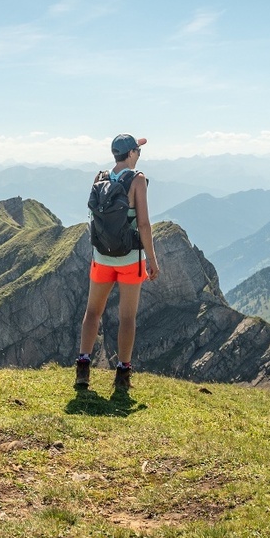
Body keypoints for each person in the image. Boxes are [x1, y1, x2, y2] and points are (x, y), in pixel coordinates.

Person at [76, 133, 160, 392]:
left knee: (93, 312)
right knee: (127, 317)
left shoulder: (99, 177)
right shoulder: (138, 180)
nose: (139, 155)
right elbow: (143, 224)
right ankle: (122, 375)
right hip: (130, 259)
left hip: (101, 257)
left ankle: (83, 369)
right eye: (138, 151)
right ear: (131, 153)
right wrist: (152, 260)